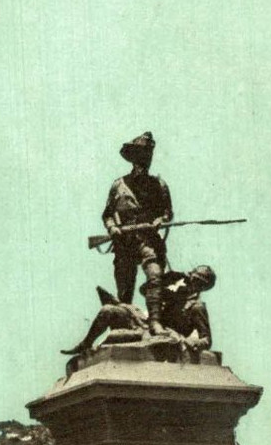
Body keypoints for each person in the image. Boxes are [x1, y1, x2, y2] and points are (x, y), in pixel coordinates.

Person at [101, 131, 172, 329]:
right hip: (124, 242)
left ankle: (155, 322)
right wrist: (112, 227)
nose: (146, 158)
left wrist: (160, 219)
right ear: (133, 157)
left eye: (149, 153)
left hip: (149, 240)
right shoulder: (119, 185)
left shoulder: (159, 184)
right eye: (142, 153)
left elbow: (168, 213)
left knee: (155, 276)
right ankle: (123, 326)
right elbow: (107, 214)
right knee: (125, 289)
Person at [61, 266, 215, 356]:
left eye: (194, 279)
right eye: (189, 276)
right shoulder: (172, 293)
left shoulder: (196, 307)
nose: (188, 280)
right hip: (145, 325)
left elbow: (206, 340)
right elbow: (144, 290)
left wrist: (191, 342)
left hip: (164, 336)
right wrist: (164, 281)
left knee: (117, 336)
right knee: (108, 310)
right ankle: (86, 343)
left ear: (201, 286)